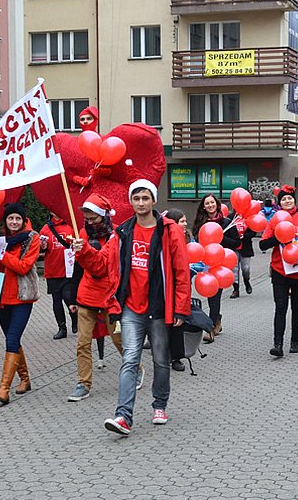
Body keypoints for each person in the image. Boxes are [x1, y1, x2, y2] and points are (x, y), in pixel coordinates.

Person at [104, 179, 191, 436]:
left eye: (145, 198)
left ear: (153, 200)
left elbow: (181, 270)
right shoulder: (122, 232)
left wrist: (180, 308)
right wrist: (82, 249)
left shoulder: (169, 230)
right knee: (130, 358)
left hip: (159, 306)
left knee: (161, 360)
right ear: (131, 202)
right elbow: (107, 266)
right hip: (131, 306)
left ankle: (160, 404)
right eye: (136, 198)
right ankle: (123, 416)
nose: (140, 203)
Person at [67, 194, 129, 401]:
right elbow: (78, 269)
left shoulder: (117, 234)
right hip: (86, 295)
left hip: (110, 296)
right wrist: (71, 298)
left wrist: (83, 250)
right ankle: (83, 383)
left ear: (104, 215)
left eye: (94, 218)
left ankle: (135, 368)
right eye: (87, 218)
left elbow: (102, 266)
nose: (90, 222)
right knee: (82, 343)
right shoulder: (81, 233)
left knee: (118, 339)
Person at [0, 203, 42, 405]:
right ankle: (25, 379)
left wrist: (2, 255)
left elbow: (24, 267)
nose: (14, 222)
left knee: (11, 338)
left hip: (21, 297)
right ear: (6, 221)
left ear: (24, 220)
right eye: (11, 219)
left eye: (18, 218)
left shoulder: (31, 239)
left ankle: (4, 389)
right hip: (1, 298)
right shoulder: (0, 240)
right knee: (13, 340)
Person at [259, 185, 298, 357]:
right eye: (283, 199)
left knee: (296, 307)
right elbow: (262, 244)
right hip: (280, 270)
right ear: (279, 203)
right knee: (280, 307)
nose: (287, 201)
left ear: (294, 200)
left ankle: (295, 341)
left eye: (289, 198)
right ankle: (277, 344)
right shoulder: (274, 220)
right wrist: (277, 237)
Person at [191, 193, 240, 343]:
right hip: (205, 263)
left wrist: (220, 237)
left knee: (215, 296)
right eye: (207, 203)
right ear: (203, 207)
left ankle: (210, 328)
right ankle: (217, 319)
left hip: (221, 264)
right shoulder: (201, 222)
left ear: (217, 204)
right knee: (209, 294)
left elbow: (236, 242)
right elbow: (196, 240)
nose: (210, 205)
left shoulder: (227, 222)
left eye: (212, 202)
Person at [37, 214, 77, 339]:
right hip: (53, 271)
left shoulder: (71, 225)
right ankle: (62, 328)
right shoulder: (45, 229)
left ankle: (75, 321)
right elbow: (41, 251)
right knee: (56, 302)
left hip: (69, 270)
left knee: (68, 297)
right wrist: (42, 246)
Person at [164, 209, 195, 372]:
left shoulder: (187, 237)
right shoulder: (164, 237)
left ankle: (176, 357)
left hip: (181, 284)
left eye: (185, 221)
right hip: (167, 284)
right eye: (181, 221)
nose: (185, 223)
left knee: (177, 323)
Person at [229, 211, 255, 299]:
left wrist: (244, 236)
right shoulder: (230, 217)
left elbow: (253, 231)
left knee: (246, 268)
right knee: (234, 269)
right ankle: (236, 289)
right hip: (234, 246)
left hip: (246, 247)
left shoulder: (249, 218)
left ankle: (246, 281)